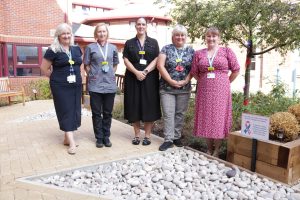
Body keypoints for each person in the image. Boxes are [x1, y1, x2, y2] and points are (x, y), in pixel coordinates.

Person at [191, 27, 240, 157]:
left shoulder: (227, 51)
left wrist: (225, 82)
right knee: (207, 117)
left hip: (221, 90)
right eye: (208, 36)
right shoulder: (199, 53)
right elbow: (194, 72)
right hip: (205, 90)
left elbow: (236, 69)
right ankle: (209, 148)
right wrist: (203, 81)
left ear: (219, 38)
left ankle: (217, 149)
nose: (211, 38)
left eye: (214, 36)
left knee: (218, 117)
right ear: (205, 38)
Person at [40, 23, 82, 155]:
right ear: (58, 36)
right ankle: (72, 143)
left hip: (75, 85)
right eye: (63, 33)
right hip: (60, 87)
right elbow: (43, 68)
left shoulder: (76, 49)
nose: (66, 36)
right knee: (66, 111)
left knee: (74, 110)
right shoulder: (53, 50)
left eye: (68, 33)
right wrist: (55, 79)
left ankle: (66, 139)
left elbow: (79, 65)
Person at [122, 17, 161, 145]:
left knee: (149, 105)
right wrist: (136, 72)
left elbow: (156, 59)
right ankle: (137, 135)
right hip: (132, 78)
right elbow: (126, 59)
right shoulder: (129, 43)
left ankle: (148, 136)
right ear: (135, 26)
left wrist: (145, 72)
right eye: (138, 24)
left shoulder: (153, 42)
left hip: (149, 78)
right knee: (134, 105)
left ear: (146, 26)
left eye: (143, 24)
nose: (141, 26)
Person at [157, 25, 194, 151]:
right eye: (177, 35)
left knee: (180, 114)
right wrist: (171, 81)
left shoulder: (191, 51)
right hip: (167, 88)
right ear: (173, 37)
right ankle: (168, 139)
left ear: (186, 37)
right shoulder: (166, 49)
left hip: (184, 88)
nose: (180, 37)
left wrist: (185, 80)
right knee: (168, 114)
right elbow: (160, 66)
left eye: (182, 35)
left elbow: (193, 69)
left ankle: (176, 137)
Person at [83, 23, 119, 148]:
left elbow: (115, 63)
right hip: (95, 85)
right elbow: (86, 64)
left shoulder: (113, 48)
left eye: (104, 31)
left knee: (108, 113)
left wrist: (110, 74)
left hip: (109, 85)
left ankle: (106, 136)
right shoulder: (90, 47)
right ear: (96, 34)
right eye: (99, 32)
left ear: (107, 33)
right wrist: (91, 74)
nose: (102, 34)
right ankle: (99, 138)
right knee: (97, 113)